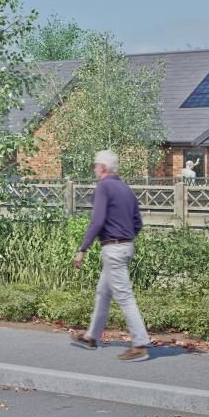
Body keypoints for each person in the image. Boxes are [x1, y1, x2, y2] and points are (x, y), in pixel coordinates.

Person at [71, 149, 151, 361]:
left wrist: (82, 249)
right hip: (124, 247)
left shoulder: (104, 187)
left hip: (113, 248)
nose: (94, 169)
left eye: (95, 165)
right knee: (103, 292)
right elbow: (138, 223)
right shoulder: (125, 189)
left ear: (103, 168)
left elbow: (97, 221)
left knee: (124, 297)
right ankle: (91, 336)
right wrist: (125, 238)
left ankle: (140, 344)